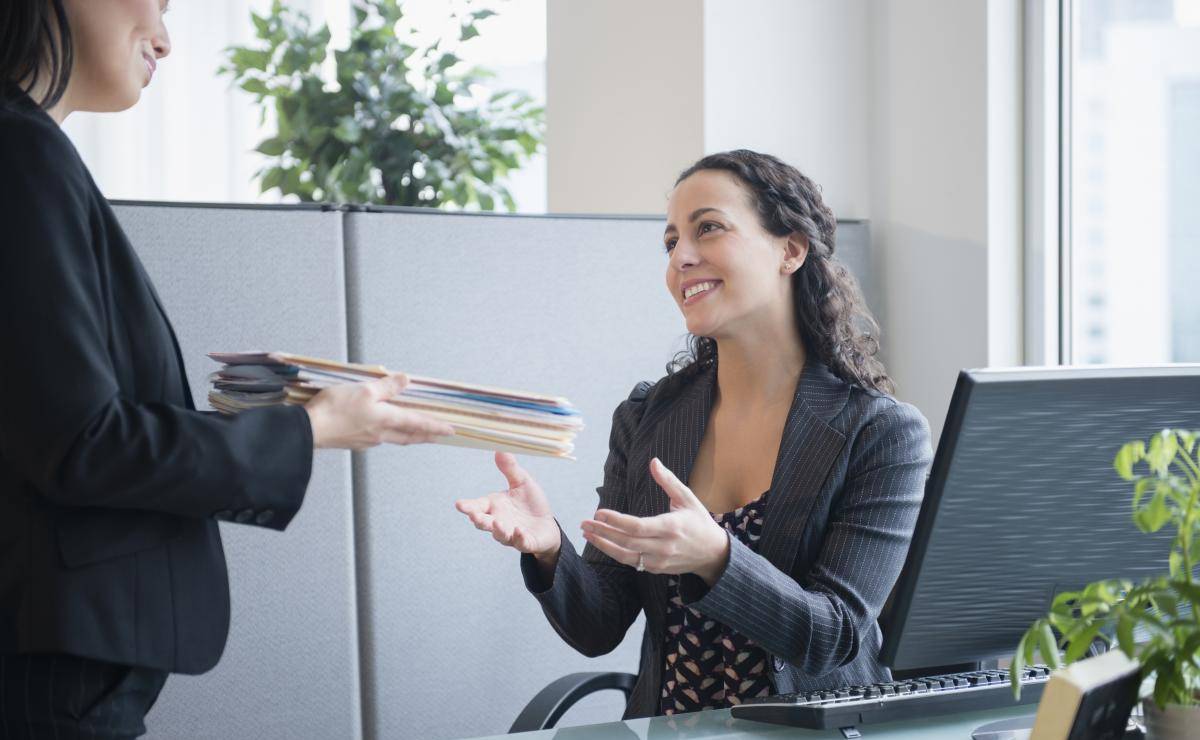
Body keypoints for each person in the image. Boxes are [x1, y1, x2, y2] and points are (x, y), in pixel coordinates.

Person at [0, 2, 454, 737]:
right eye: (158, 3)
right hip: (50, 678)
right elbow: (82, 444)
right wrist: (310, 427)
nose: (166, 39)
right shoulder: (21, 154)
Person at [456, 149, 933, 717]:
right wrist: (551, 549)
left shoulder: (881, 432)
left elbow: (832, 638)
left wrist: (718, 557)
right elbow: (599, 624)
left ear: (791, 249)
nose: (681, 257)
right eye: (670, 242)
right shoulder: (646, 419)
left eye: (708, 228)